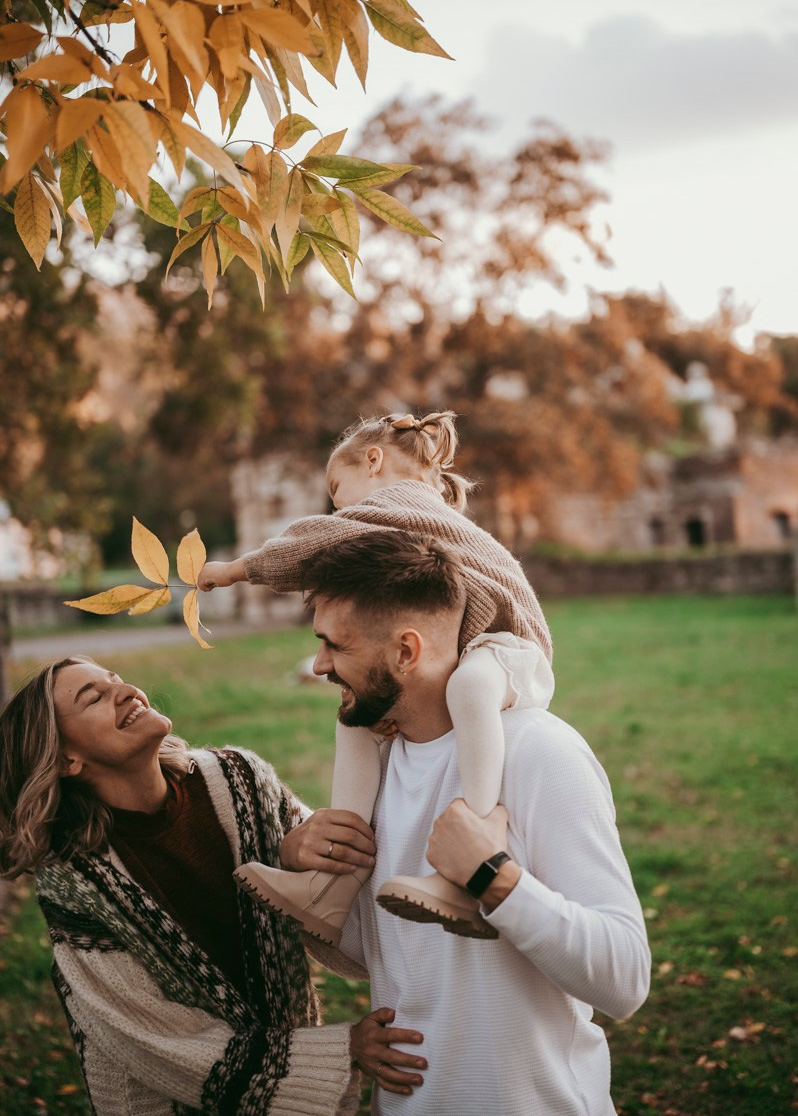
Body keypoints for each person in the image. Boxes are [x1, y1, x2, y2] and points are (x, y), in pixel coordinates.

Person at [290, 529, 651, 1115]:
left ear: (407, 651)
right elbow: (382, 953)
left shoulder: (540, 754)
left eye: (336, 646)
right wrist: (310, 868)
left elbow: (624, 979)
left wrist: (494, 878)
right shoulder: (374, 770)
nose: (319, 664)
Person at [0, 656, 430, 1114]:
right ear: (67, 759)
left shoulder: (238, 780)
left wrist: (293, 856)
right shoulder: (77, 885)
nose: (125, 691)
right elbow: (157, 1037)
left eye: (117, 680)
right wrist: (343, 1048)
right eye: (95, 698)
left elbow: (335, 905)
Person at [199, 410, 555, 945]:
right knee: (355, 717)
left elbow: (317, 539)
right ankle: (330, 887)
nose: (339, 506)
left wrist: (234, 571)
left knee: (470, 687)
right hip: (469, 644)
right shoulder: (409, 517)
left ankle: (470, 857)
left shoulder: (403, 501)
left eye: (337, 489)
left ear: (375, 461)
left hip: (512, 649)